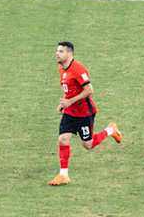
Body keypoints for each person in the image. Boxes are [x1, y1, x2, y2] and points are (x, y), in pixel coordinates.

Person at [50, 40, 119, 185]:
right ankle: (63, 175)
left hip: (84, 112)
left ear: (69, 54)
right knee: (63, 139)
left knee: (88, 145)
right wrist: (64, 104)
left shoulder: (78, 70)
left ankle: (110, 130)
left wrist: (70, 101)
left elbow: (89, 90)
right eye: (57, 51)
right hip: (70, 111)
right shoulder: (62, 69)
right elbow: (69, 90)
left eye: (61, 51)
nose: (57, 54)